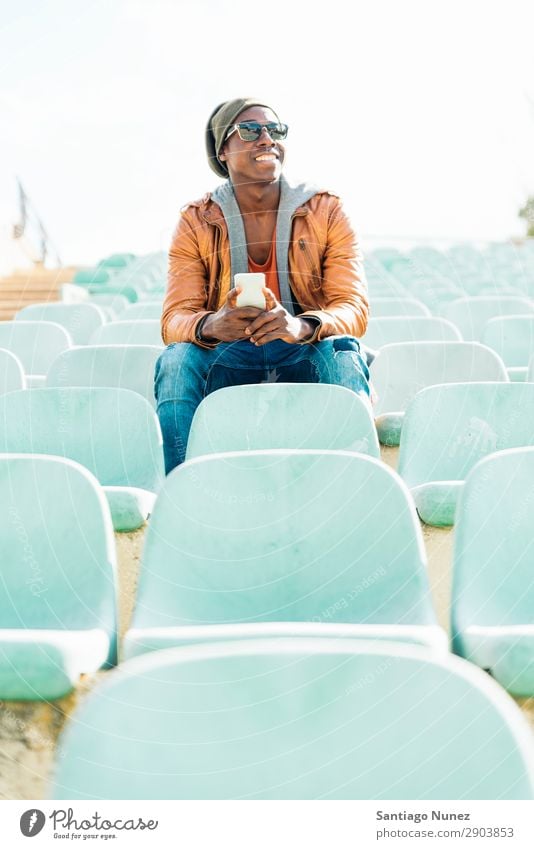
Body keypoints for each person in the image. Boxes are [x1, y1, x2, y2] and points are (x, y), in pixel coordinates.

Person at [155, 97, 370, 473]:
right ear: (223, 150)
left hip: (301, 352)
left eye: (275, 130)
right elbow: (175, 318)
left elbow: (353, 307)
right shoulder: (196, 220)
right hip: (228, 355)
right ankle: (182, 488)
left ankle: (356, 487)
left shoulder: (326, 210)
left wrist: (302, 326)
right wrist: (212, 325)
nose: (267, 138)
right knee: (175, 360)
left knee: (342, 351)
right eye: (251, 130)